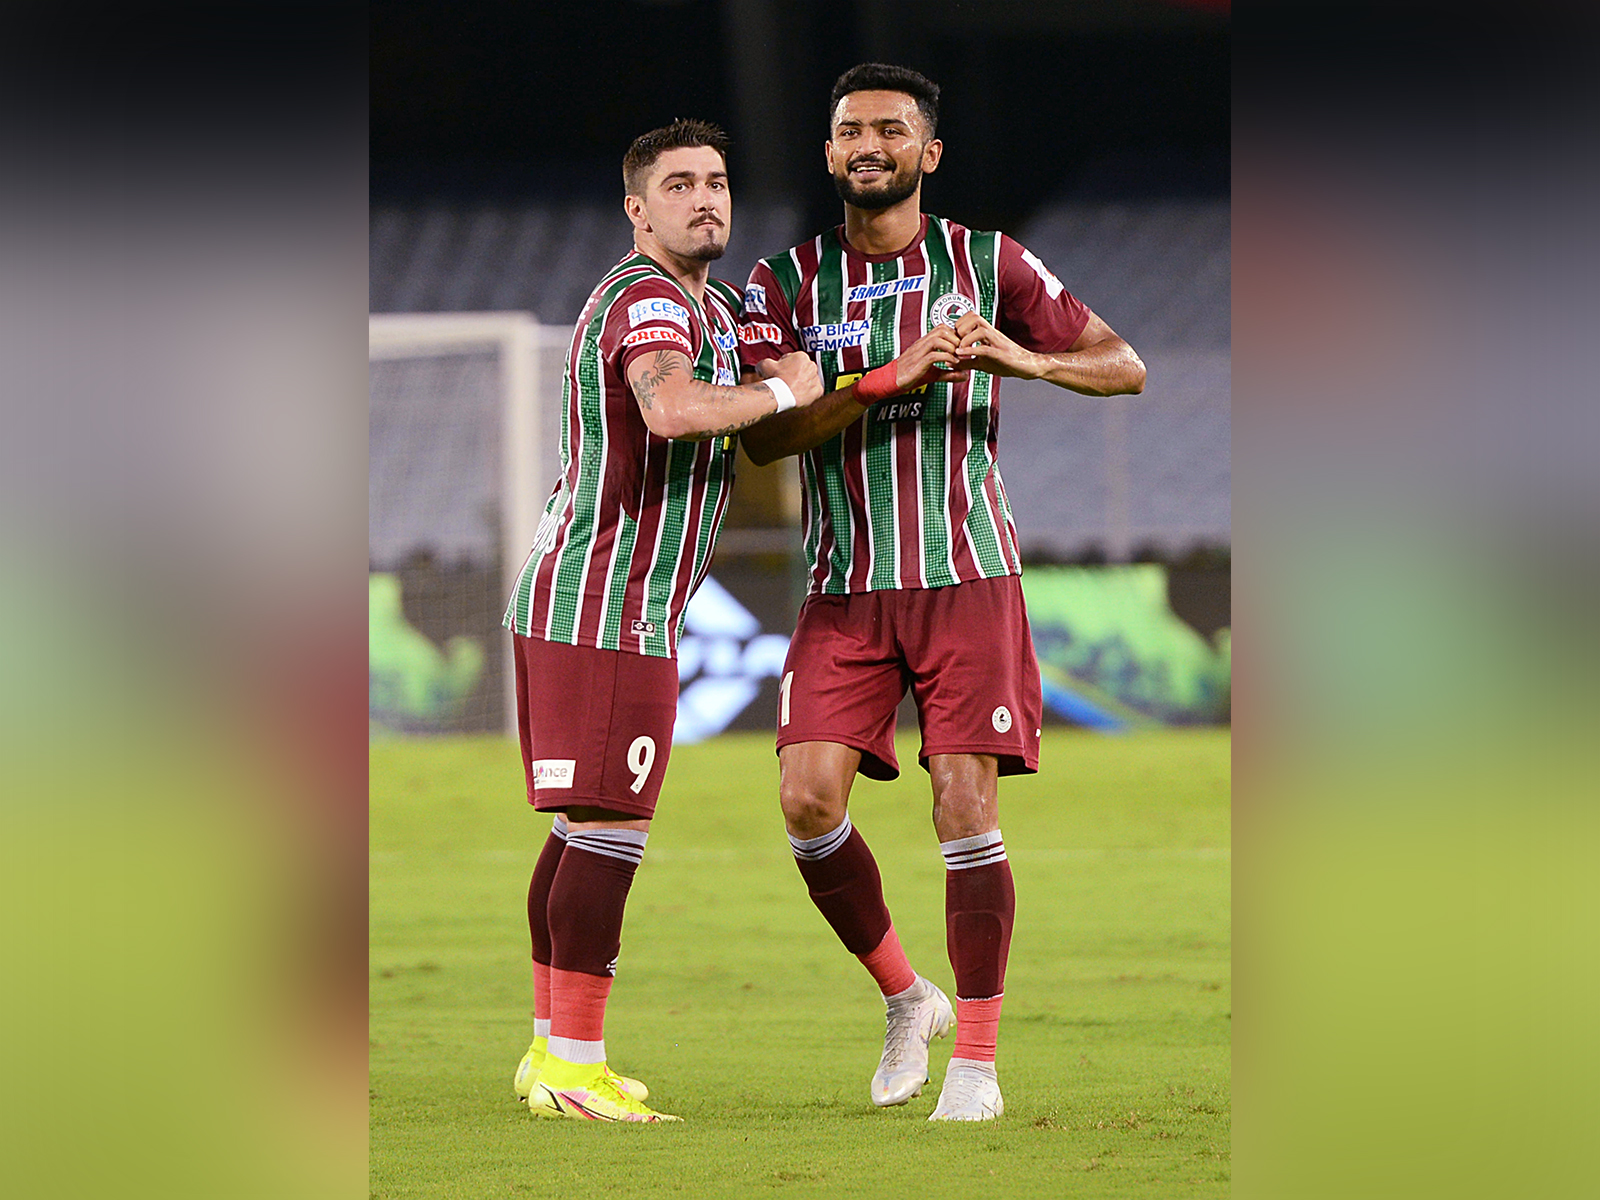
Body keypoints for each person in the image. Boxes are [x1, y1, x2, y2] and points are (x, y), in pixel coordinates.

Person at [738, 64, 1146, 1122]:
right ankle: (903, 995)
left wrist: (1020, 359)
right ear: (828, 154)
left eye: (889, 129)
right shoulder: (782, 284)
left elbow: (1122, 364)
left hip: (968, 577)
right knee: (804, 799)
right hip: (843, 587)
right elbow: (763, 437)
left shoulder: (988, 260)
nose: (866, 144)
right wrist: (886, 375)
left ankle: (976, 1064)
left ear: (928, 153)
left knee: (963, 804)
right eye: (847, 131)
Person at [504, 118, 823, 1123]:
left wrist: (808, 376)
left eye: (719, 181)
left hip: (595, 602)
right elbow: (677, 411)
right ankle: (575, 1068)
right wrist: (777, 387)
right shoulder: (648, 299)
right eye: (679, 184)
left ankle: (549, 1050)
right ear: (638, 211)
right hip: (603, 604)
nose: (706, 198)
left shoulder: (712, 304)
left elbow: (781, 392)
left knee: (577, 832)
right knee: (608, 832)